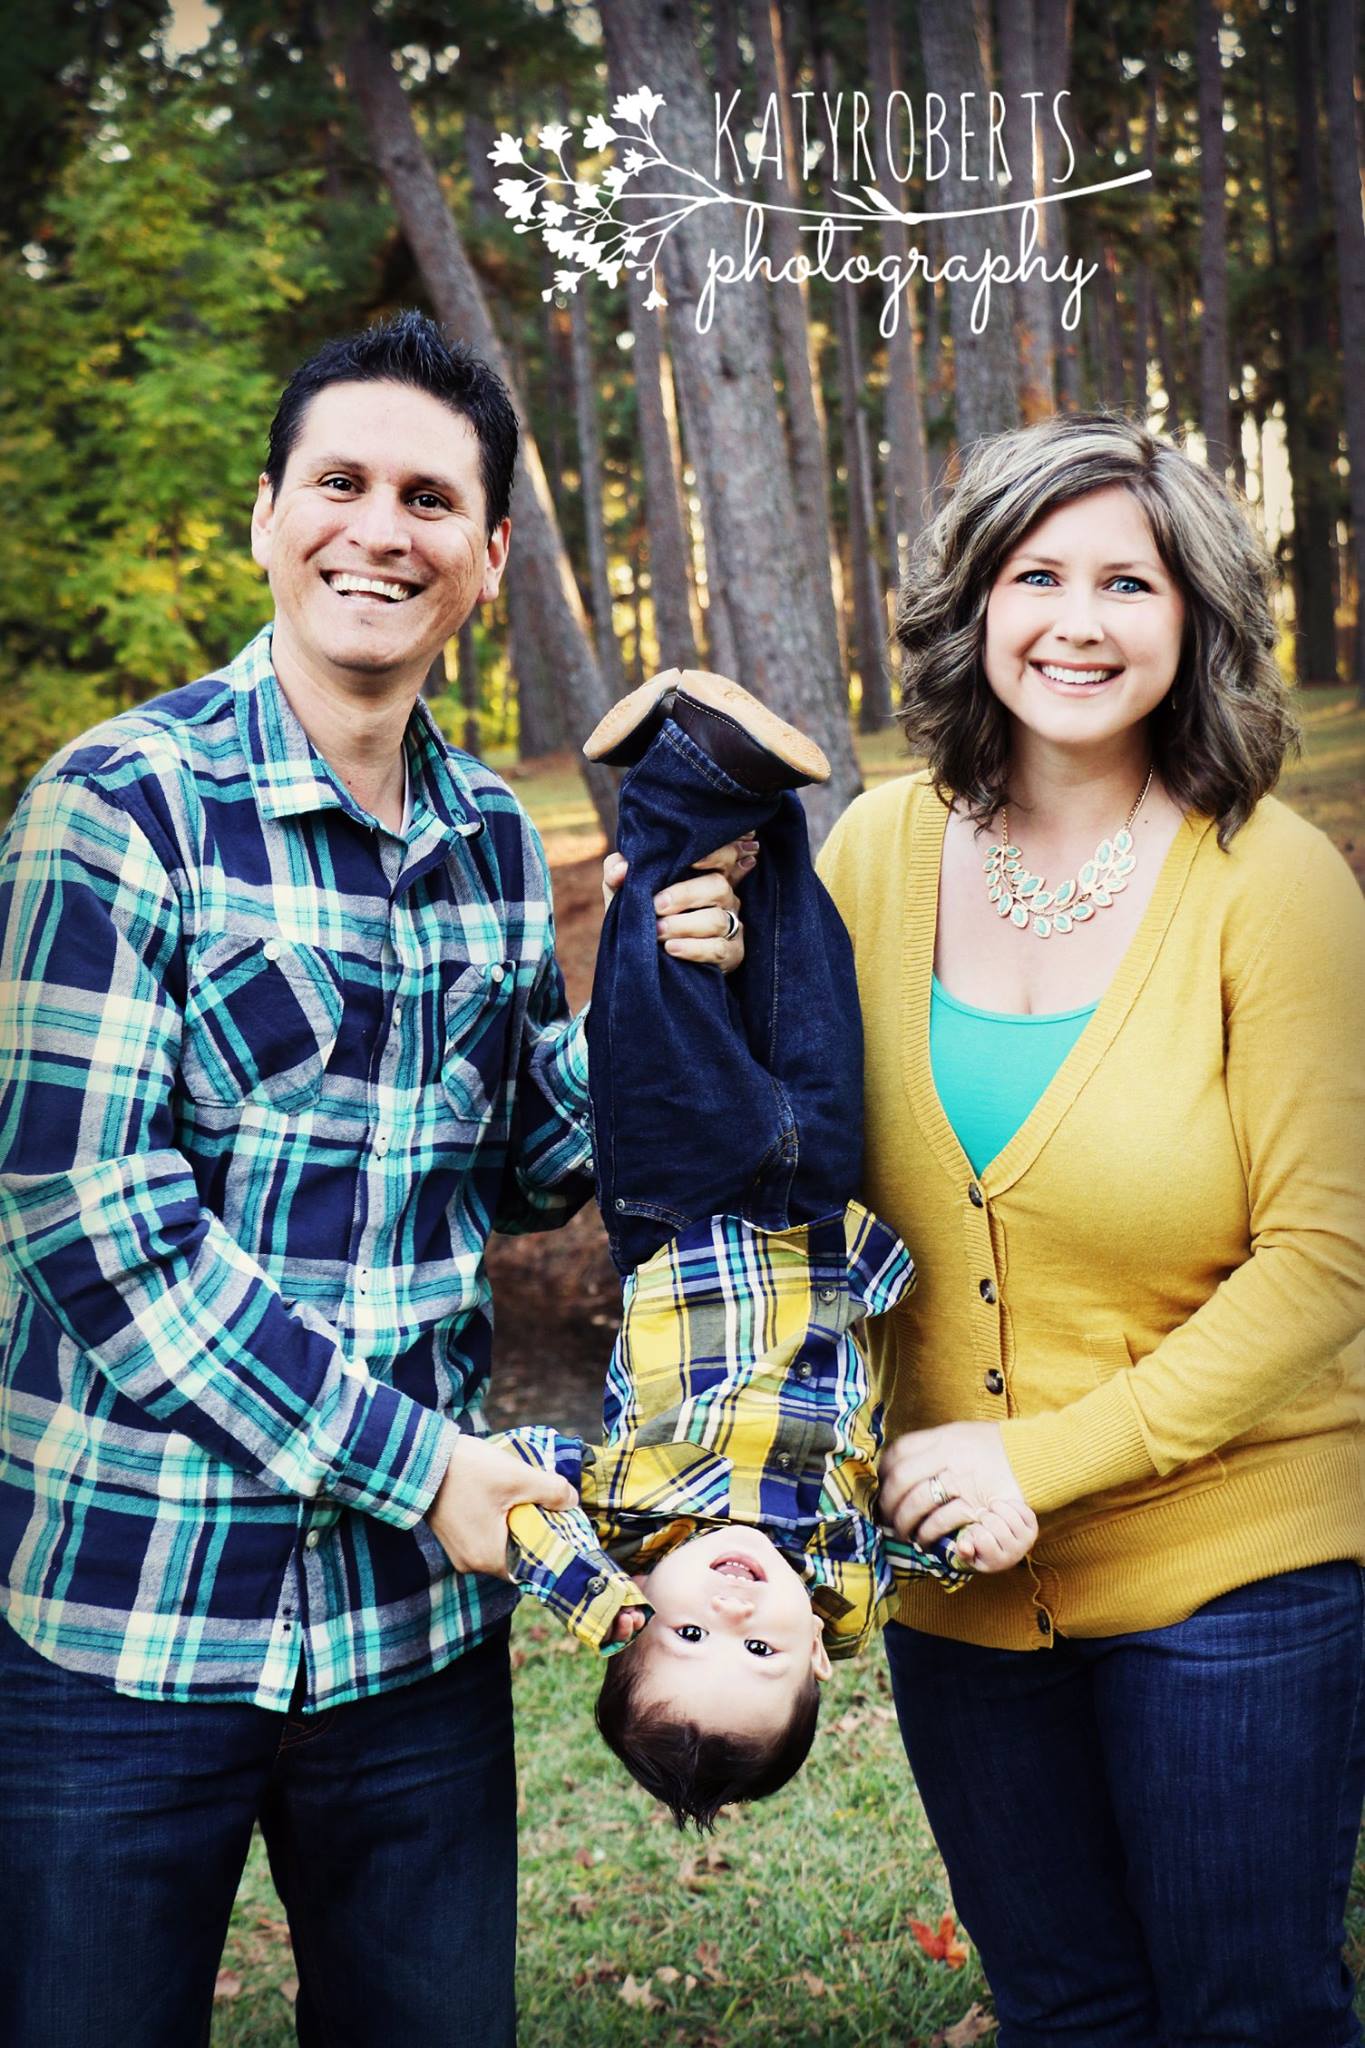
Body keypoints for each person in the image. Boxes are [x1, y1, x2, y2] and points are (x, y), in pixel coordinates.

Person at [0, 313, 745, 2048]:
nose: (379, 530)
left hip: (407, 1646)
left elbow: (531, 1165)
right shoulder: (116, 810)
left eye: (430, 499)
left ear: (488, 557)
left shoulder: (489, 837)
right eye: (339, 482)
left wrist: (661, 993)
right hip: (131, 1619)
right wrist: (425, 1470)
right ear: (268, 514)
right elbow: (96, 1231)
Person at [816, 413, 1365, 2047]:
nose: (1078, 620)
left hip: (1235, 1567)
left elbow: (1328, 1256)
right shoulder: (872, 853)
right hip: (959, 1587)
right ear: (974, 604)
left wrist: (1034, 1459)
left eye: (1128, 581)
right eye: (1036, 574)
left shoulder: (1270, 880)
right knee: (1063, 2012)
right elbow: (776, 1159)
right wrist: (688, 947)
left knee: (1248, 2013)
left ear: (1193, 616)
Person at [487, 669, 1039, 1830]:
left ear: (643, 1605)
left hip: (680, 1212)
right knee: (805, 982)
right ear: (821, 1659)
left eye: (685, 1632)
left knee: (660, 987)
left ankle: (672, 774)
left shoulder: (626, 1517)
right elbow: (953, 1544)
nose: (732, 1612)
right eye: (760, 1652)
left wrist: (598, 1599)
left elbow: (513, 1484)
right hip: (821, 1206)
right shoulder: (850, 1571)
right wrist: (984, 1532)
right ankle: (760, 799)